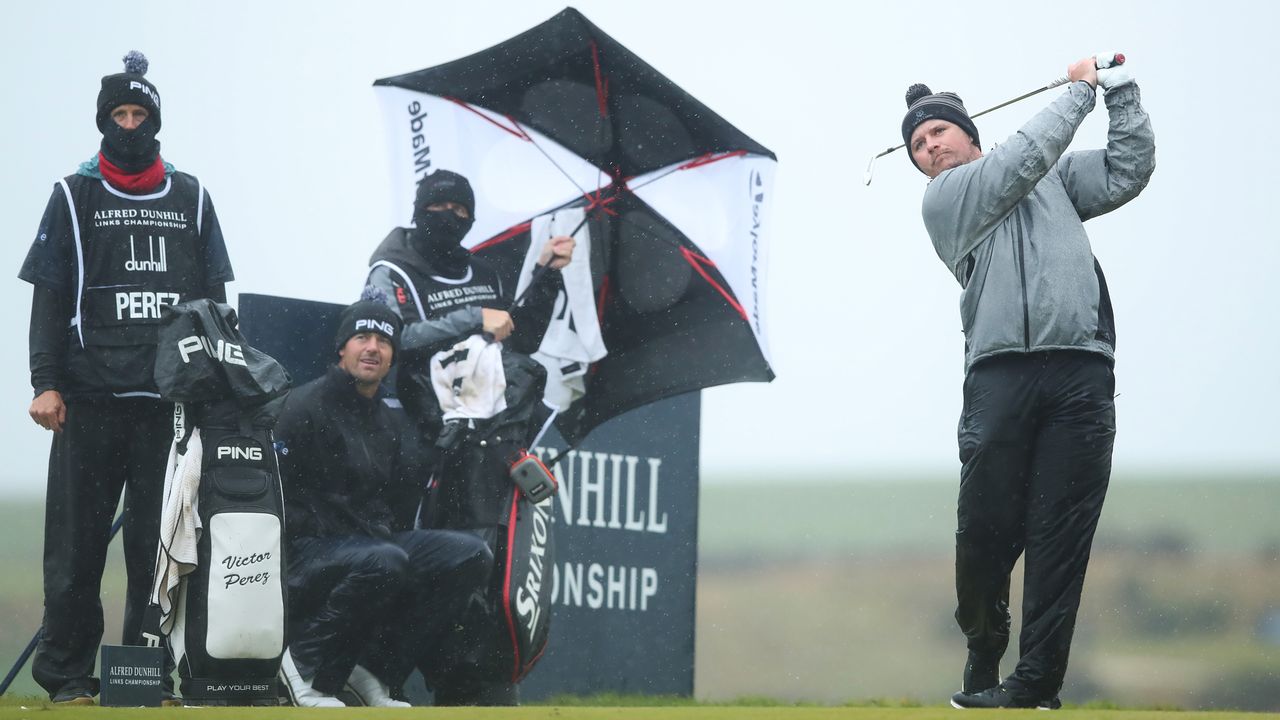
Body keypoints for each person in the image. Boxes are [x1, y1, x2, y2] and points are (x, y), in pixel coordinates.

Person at [903, 55, 1155, 709]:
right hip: (1000, 376)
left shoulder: (1047, 178)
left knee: (1059, 538)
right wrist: (1078, 92)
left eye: (937, 134)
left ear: (966, 131)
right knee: (984, 534)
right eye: (918, 146)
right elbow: (1020, 159)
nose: (929, 149)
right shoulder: (947, 199)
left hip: (1081, 371)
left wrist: (1120, 95)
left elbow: (1126, 171)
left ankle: (1035, 685)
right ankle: (985, 644)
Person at [18, 51, 235, 706]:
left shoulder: (192, 196)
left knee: (159, 552)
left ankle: (146, 677)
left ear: (157, 121)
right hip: (86, 401)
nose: (131, 125)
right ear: (104, 121)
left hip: (168, 407)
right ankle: (67, 679)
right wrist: (43, 382)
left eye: (141, 114)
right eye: (120, 114)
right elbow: (50, 299)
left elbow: (219, 301)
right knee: (76, 552)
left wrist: (219, 384)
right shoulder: (72, 194)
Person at [364, 169, 573, 704]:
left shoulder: (485, 270)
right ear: (419, 210)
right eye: (441, 209)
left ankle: (473, 682)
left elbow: (515, 339)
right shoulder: (392, 270)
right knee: (431, 566)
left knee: (485, 566)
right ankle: (381, 673)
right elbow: (389, 339)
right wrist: (470, 318)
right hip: (420, 445)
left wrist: (547, 275)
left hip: (487, 448)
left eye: (461, 212)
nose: (451, 219)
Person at [274, 292, 493, 707]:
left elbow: (393, 503)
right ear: (343, 347)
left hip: (371, 547)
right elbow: (276, 496)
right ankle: (301, 665)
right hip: (303, 551)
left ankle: (373, 671)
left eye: (385, 341)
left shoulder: (391, 419)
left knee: (471, 555)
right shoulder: (303, 406)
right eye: (363, 338)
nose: (373, 347)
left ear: (393, 355)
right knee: (386, 558)